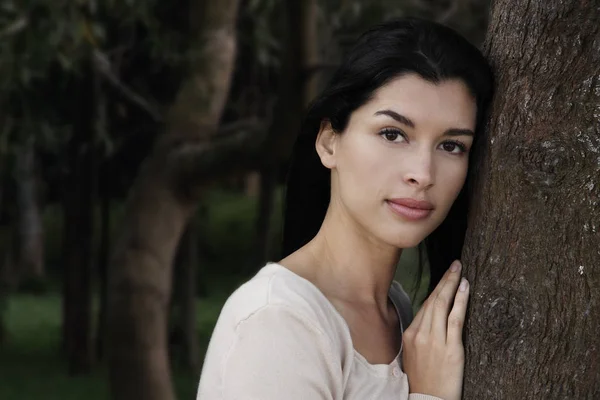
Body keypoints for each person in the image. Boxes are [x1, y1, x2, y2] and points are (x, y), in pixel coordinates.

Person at [197, 17, 493, 400]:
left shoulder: (399, 313)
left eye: (451, 145)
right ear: (329, 142)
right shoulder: (278, 321)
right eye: (393, 134)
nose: (422, 174)